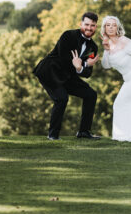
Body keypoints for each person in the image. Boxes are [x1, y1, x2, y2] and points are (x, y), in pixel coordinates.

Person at [33, 12, 100, 140]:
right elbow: (64, 59)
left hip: (68, 75)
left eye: (92, 25)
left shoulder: (93, 48)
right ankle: (53, 135)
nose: (89, 28)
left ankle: (84, 132)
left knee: (91, 94)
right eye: (86, 24)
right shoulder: (68, 35)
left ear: (96, 27)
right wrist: (84, 63)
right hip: (50, 72)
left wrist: (80, 67)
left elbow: (88, 73)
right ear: (81, 24)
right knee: (61, 98)